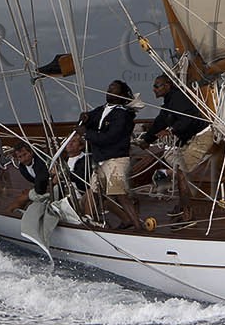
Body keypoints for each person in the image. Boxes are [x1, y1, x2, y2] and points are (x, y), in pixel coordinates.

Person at [139, 74, 213, 221]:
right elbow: (160, 122)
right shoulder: (169, 101)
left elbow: (188, 119)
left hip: (201, 137)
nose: (154, 89)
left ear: (167, 85)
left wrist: (171, 131)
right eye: (154, 86)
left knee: (181, 173)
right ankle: (182, 206)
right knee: (179, 171)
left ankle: (188, 215)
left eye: (157, 86)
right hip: (190, 139)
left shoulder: (178, 98)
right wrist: (147, 140)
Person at [82, 80, 143, 230]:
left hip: (115, 159)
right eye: (109, 87)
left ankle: (138, 227)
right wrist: (83, 117)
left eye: (113, 89)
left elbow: (110, 138)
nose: (109, 90)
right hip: (101, 159)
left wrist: (86, 133)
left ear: (121, 95)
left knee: (120, 194)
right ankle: (89, 222)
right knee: (95, 191)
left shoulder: (122, 115)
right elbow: (88, 119)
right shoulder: (102, 109)